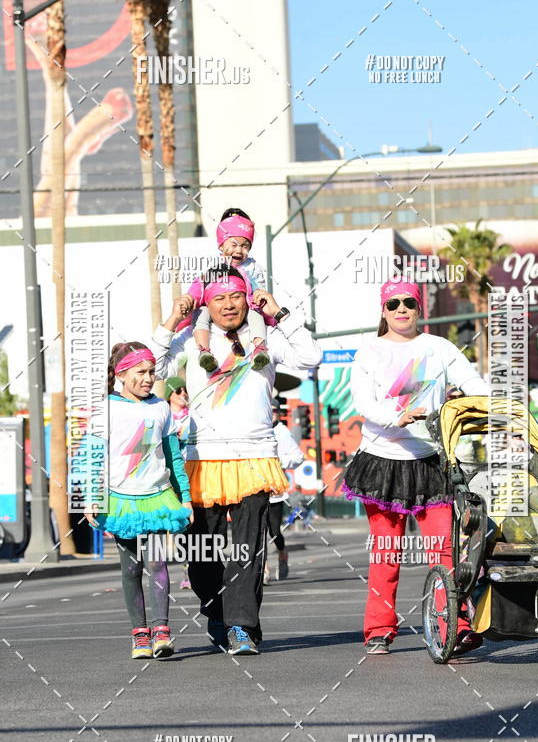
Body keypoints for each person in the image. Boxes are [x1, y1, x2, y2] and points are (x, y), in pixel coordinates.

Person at [151, 266, 322, 655]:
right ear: (207, 304)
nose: (229, 305)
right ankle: (216, 612)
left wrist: (280, 313)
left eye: (236, 296)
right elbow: (155, 367)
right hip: (202, 458)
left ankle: (242, 627)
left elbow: (311, 356)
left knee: (247, 549)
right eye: (219, 298)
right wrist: (172, 320)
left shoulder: (266, 338)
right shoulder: (191, 341)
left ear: (248, 297)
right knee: (202, 554)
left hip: (254, 455)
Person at [342, 279, 489, 656]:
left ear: (419, 308)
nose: (402, 308)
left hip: (430, 461)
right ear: (384, 310)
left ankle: (454, 626)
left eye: (409, 302)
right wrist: (399, 415)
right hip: (382, 464)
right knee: (387, 553)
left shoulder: (438, 347)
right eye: (393, 303)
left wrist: (496, 407)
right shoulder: (369, 351)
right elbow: (364, 403)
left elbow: (471, 382)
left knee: (444, 552)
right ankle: (378, 630)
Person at [85, 343, 192, 659]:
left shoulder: (161, 408)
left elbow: (173, 457)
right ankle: (140, 635)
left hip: (157, 498)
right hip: (122, 501)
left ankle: (162, 631)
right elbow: (93, 456)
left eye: (151, 372)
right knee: (131, 568)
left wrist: (184, 498)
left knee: (157, 562)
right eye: (141, 373)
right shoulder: (106, 409)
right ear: (121, 374)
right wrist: (91, 497)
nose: (148, 379)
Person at [188, 209, 271, 371]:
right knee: (200, 315)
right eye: (233, 245)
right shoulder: (213, 265)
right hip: (215, 310)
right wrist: (191, 298)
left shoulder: (252, 267)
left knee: (256, 316)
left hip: (245, 308)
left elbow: (259, 287)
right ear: (221, 245)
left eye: (245, 246)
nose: (239, 250)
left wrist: (257, 300)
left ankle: (260, 349)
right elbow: (199, 285)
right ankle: (204, 351)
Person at [265, 398, 305, 583]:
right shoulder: (257, 428)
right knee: (256, 532)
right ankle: (263, 569)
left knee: (274, 531)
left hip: (275, 490)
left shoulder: (282, 432)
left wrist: (279, 461)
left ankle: (282, 554)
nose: (272, 413)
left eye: (275, 410)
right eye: (269, 409)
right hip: (253, 486)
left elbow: (298, 457)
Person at [162, 377, 192, 589]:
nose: (184, 394)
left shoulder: (193, 416)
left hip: (193, 473)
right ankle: (187, 570)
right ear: (169, 395)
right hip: (170, 478)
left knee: (195, 525)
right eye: (178, 391)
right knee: (179, 527)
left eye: (185, 390)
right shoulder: (162, 416)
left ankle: (198, 569)